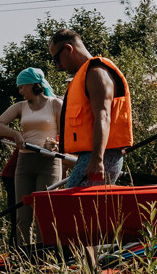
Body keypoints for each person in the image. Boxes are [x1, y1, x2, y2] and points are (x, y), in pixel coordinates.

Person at [0, 68, 64, 245]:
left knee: (43, 212)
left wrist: (56, 144)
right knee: (23, 214)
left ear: (33, 85)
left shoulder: (55, 104)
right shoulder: (20, 107)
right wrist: (15, 134)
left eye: (22, 87)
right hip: (24, 163)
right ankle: (23, 257)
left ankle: (44, 255)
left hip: (49, 162)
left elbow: (66, 132)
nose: (20, 91)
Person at [49, 30, 133, 189]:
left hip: (102, 156)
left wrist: (97, 160)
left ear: (68, 48)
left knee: (74, 208)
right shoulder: (85, 74)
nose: (58, 66)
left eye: (56, 59)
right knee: (79, 210)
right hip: (91, 156)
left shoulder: (96, 73)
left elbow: (104, 116)